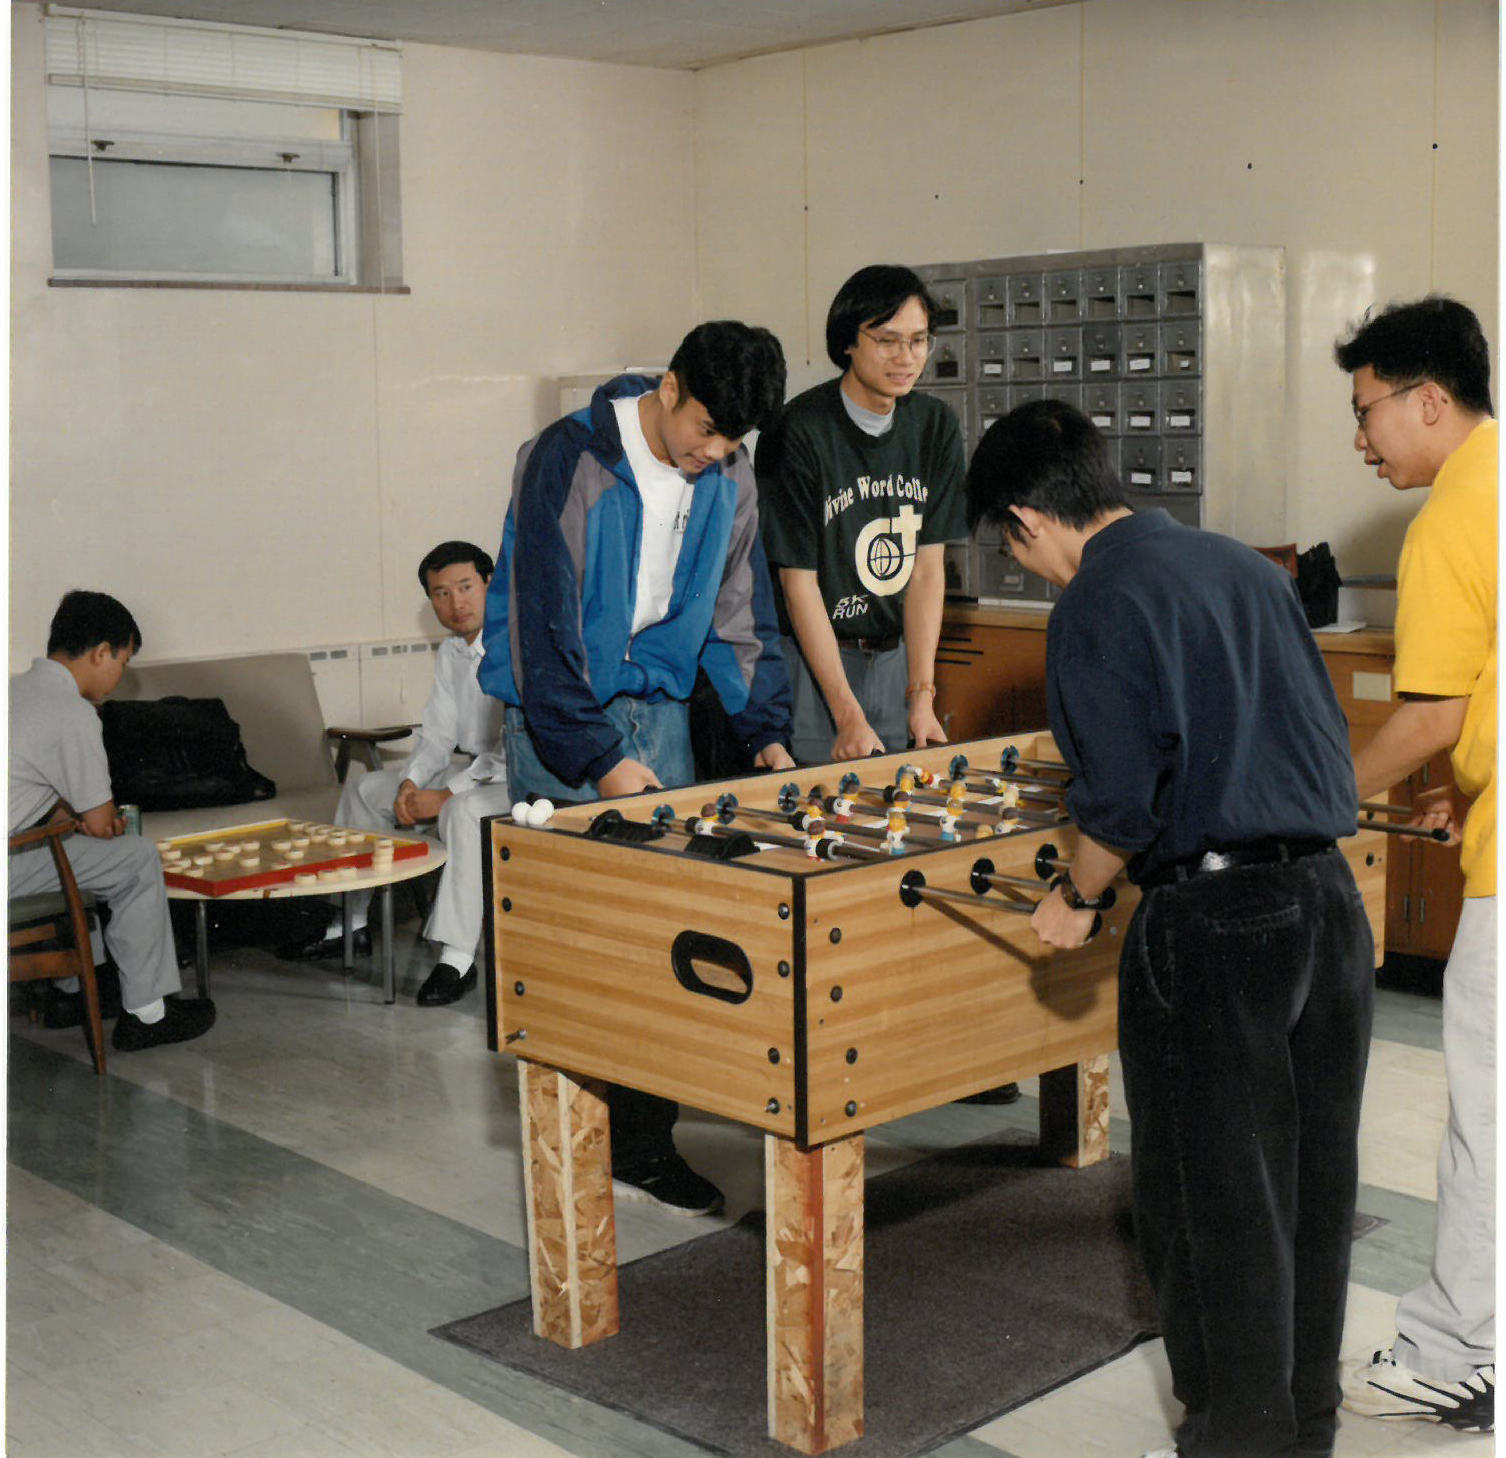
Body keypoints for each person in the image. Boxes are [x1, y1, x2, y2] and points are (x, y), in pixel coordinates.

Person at [965, 399, 1374, 1458]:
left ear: (1025, 520)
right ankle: (1300, 1433)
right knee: (1310, 1191)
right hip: (1329, 904)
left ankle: (1234, 1443)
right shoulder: (1243, 566)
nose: (1030, 571)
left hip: (1214, 922)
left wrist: (1078, 898)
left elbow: (1117, 809)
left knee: (1210, 1200)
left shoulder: (1097, 601)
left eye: (1014, 551)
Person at [480, 319, 796, 1216]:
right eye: (705, 430)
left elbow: (740, 615)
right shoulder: (567, 458)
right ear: (668, 387)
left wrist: (764, 730)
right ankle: (578, 1138)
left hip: (659, 717)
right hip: (560, 717)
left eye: (733, 442)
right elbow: (543, 627)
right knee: (578, 943)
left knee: (663, 935)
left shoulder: (729, 475)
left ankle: (647, 1142)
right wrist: (598, 758)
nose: (714, 454)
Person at [1333, 296, 1496, 1434]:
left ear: (1427, 400)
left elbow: (1428, 715)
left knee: (1486, 1119)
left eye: (1368, 411)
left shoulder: (1448, 519)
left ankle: (1452, 1350)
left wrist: (1317, 790)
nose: (1361, 439)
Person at [757, 263, 968, 766]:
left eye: (919, 341)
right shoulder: (799, 431)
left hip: (895, 659)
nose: (906, 357)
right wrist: (847, 714)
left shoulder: (934, 426)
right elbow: (798, 583)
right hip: (813, 664)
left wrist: (922, 694)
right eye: (887, 340)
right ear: (847, 342)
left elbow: (926, 567)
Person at [282, 541, 507, 1008]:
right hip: (465, 768)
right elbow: (437, 734)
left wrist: (445, 794)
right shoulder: (450, 651)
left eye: (465, 587)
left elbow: (511, 749)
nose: (456, 603)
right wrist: (411, 782)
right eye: (441, 594)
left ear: (490, 583)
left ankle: (458, 957)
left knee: (462, 812)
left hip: (513, 776)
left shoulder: (516, 646)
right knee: (366, 788)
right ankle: (351, 924)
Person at [9, 591, 217, 1052]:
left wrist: (75, 819)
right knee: (134, 857)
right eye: (122, 661)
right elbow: (102, 823)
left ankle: (76, 994)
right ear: (101, 652)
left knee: (81, 856)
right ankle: (147, 1014)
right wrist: (99, 824)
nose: (119, 676)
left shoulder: (14, 689)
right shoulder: (72, 711)